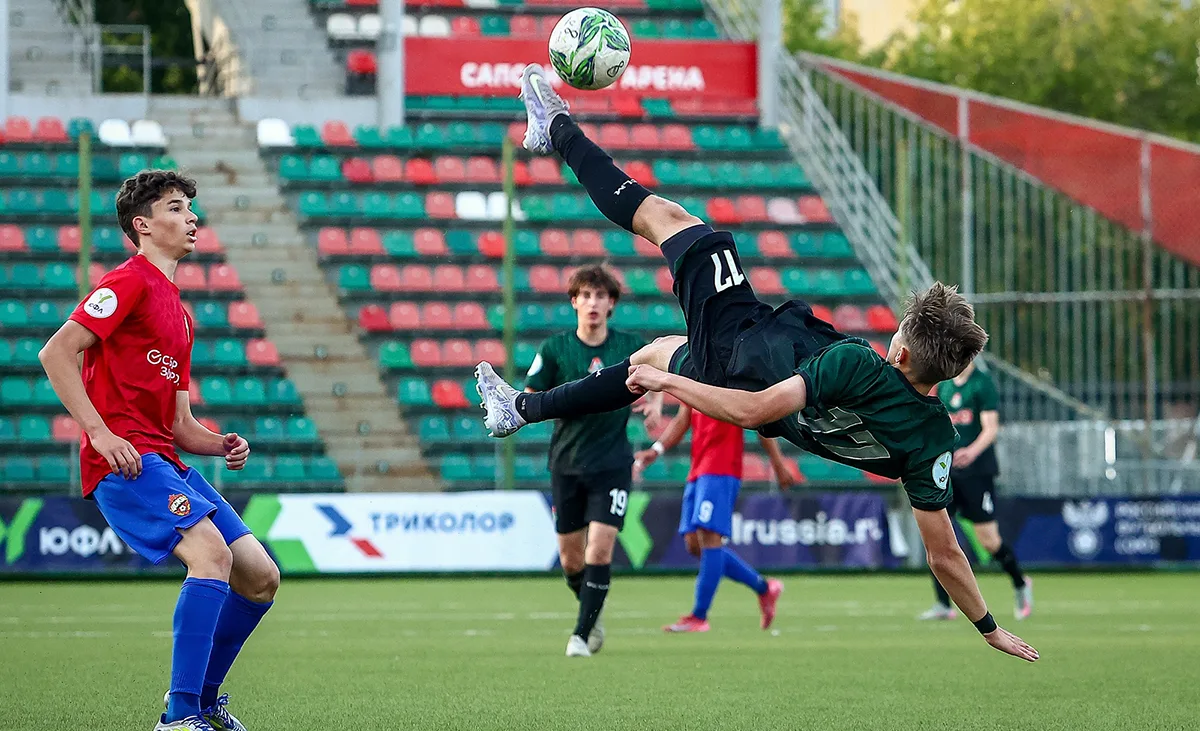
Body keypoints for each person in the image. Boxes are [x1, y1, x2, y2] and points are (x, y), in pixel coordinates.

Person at [475, 64, 1039, 662]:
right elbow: (945, 554)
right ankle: (521, 408)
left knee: (677, 227)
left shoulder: (858, 365)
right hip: (752, 361)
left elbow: (753, 411)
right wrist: (989, 628)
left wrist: (668, 385)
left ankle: (555, 129)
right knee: (647, 353)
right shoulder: (932, 441)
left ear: (899, 351)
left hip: (747, 352)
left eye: (896, 331)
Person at [39, 171, 280, 730]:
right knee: (211, 557)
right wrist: (99, 433)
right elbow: (56, 354)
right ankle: (178, 715)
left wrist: (218, 443)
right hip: (124, 462)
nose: (192, 217)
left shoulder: (181, 314)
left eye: (191, 207)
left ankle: (206, 700)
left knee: (260, 576)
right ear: (143, 227)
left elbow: (179, 424)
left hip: (165, 459)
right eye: (177, 208)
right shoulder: (127, 283)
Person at [523, 264, 659, 658]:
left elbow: (660, 374)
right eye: (585, 295)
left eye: (600, 296)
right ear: (574, 302)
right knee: (570, 560)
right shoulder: (554, 349)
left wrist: (654, 404)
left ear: (612, 303)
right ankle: (592, 613)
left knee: (599, 551)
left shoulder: (628, 348)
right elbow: (531, 393)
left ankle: (580, 636)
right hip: (566, 464)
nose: (592, 303)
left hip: (612, 463)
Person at [634, 406, 792, 632]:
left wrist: (778, 463)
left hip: (721, 468)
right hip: (697, 469)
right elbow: (682, 419)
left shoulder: (733, 379)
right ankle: (765, 588)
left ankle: (699, 617)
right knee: (695, 544)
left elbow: (761, 422)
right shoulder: (693, 374)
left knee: (710, 540)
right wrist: (656, 450)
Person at [919, 360, 1033, 621]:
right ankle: (943, 605)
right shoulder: (944, 386)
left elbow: (991, 428)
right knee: (936, 535)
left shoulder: (982, 383)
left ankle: (1020, 583)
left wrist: (971, 452)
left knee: (989, 541)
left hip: (977, 473)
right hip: (947, 472)